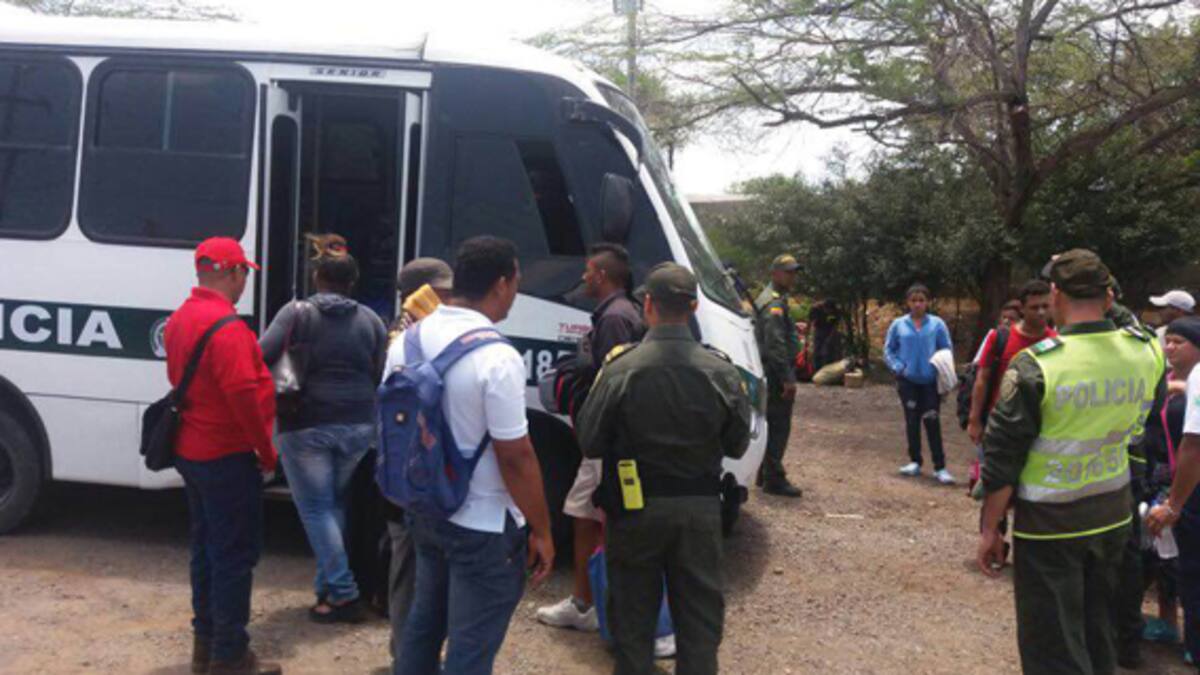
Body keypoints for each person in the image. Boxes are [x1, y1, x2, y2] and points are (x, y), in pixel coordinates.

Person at [978, 249, 1165, 675]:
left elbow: (1003, 459)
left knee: (1053, 644)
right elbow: (1127, 327)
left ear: (1056, 295)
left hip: (1051, 525)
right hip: (1113, 516)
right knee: (1098, 629)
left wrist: (991, 528)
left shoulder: (1038, 366)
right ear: (1109, 295)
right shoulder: (1147, 350)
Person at [576, 262, 751, 675]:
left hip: (634, 509)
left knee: (632, 621)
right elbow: (737, 444)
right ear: (693, 307)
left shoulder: (621, 367)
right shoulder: (722, 371)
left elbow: (590, 440)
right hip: (700, 511)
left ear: (648, 304)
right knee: (700, 623)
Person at [390, 236, 554, 675]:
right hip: (483, 523)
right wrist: (542, 529)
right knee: (471, 647)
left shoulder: (407, 340)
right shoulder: (496, 356)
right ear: (502, 283)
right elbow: (516, 457)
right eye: (516, 282)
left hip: (426, 507)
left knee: (424, 623)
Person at [164, 237, 281, 675]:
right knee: (233, 555)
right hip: (227, 455)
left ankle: (205, 644)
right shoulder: (229, 329)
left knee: (205, 549)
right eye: (244, 272)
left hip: (192, 452)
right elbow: (243, 396)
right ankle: (230, 656)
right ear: (233, 272)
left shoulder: (180, 318)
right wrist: (265, 449)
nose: (245, 280)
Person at [259, 234, 388, 623]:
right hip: (359, 425)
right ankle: (327, 593)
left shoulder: (296, 313)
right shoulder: (371, 320)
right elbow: (379, 371)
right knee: (333, 505)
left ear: (317, 278)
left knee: (316, 508)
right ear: (353, 282)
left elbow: (261, 354)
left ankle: (344, 593)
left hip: (307, 422)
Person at [537, 244, 646, 634]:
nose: (582, 278)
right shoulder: (619, 312)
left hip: (606, 441)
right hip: (605, 439)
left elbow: (612, 384)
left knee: (594, 517)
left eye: (587, 271)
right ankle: (586, 601)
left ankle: (594, 604)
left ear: (601, 275)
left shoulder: (615, 318)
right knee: (583, 514)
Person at [381, 257, 454, 668]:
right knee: (409, 573)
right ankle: (405, 657)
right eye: (442, 292)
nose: (449, 299)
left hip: (415, 475)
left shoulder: (422, 329)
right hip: (406, 477)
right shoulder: (404, 336)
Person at [1147, 317, 1200, 669]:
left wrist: (1174, 504)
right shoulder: (1180, 381)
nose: (1169, 347)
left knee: (1193, 568)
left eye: (1179, 342)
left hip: (1192, 490)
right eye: (1168, 340)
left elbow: (1194, 446)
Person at [966, 280, 1056, 446]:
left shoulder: (1056, 342)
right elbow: (982, 379)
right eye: (1035, 307)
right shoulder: (1000, 338)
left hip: (1041, 428)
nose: (1041, 312)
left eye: (1045, 306)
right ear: (1022, 309)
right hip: (1000, 426)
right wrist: (974, 420)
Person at [885, 284, 955, 484]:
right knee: (912, 420)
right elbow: (889, 349)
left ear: (927, 302)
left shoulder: (937, 324)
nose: (917, 304)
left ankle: (940, 467)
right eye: (914, 300)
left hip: (930, 381)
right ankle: (915, 461)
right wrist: (898, 367)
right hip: (907, 381)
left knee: (932, 420)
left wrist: (939, 368)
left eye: (921, 300)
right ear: (908, 302)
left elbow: (946, 349)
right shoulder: (898, 325)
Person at [753, 253, 804, 497]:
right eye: (788, 272)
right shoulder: (774, 304)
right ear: (775, 273)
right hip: (775, 373)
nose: (792, 277)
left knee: (771, 423)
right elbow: (775, 344)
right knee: (779, 425)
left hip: (771, 370)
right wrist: (787, 378)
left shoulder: (774, 299)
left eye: (794, 272)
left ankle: (765, 472)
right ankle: (774, 478)